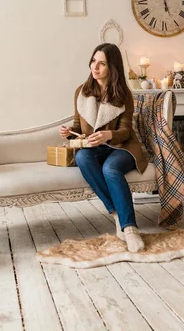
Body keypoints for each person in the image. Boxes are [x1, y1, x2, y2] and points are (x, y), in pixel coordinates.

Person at [59, 43, 147, 252]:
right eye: (93, 61)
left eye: (102, 64)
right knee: (82, 158)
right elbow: (79, 127)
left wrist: (109, 134)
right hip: (96, 148)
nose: (94, 67)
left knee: (110, 169)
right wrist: (69, 132)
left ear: (113, 68)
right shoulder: (81, 92)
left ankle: (131, 228)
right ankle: (118, 215)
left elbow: (126, 131)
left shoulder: (123, 93)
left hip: (122, 147)